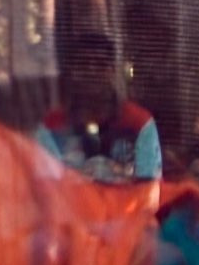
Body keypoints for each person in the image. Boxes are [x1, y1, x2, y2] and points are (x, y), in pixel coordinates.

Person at [41, 30, 163, 188]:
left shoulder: (140, 123)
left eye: (100, 64)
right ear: (72, 71)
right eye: (84, 64)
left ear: (112, 71)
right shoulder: (52, 125)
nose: (91, 71)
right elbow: (44, 187)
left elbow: (150, 187)